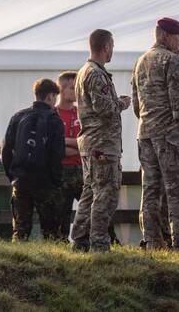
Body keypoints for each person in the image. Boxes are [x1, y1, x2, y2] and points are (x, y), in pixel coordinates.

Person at [132, 17, 179, 250]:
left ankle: (152, 240)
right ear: (166, 36)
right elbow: (178, 105)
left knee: (150, 189)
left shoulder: (140, 61)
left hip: (146, 133)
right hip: (169, 135)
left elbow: (137, 105)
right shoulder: (171, 60)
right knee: (177, 189)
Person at [71, 29, 130, 252]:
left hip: (92, 143)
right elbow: (105, 109)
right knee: (105, 194)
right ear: (106, 47)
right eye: (112, 46)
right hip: (102, 144)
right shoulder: (96, 74)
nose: (112, 50)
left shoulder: (84, 71)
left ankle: (80, 239)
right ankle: (99, 243)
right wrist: (122, 103)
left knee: (90, 192)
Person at [2, 78, 66, 241]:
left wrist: (12, 175)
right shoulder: (55, 120)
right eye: (55, 97)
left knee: (20, 230)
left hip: (21, 179)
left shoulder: (18, 116)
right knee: (51, 231)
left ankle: (18, 254)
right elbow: (57, 154)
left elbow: (6, 149)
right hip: (45, 182)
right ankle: (53, 255)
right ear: (51, 96)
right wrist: (57, 181)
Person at [53, 71, 82, 241]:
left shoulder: (81, 113)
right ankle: (61, 245)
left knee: (92, 209)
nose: (77, 92)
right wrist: (77, 145)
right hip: (61, 171)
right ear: (61, 90)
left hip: (82, 170)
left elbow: (88, 141)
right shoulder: (52, 114)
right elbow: (52, 147)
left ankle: (85, 242)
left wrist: (64, 142)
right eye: (72, 88)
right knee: (61, 215)